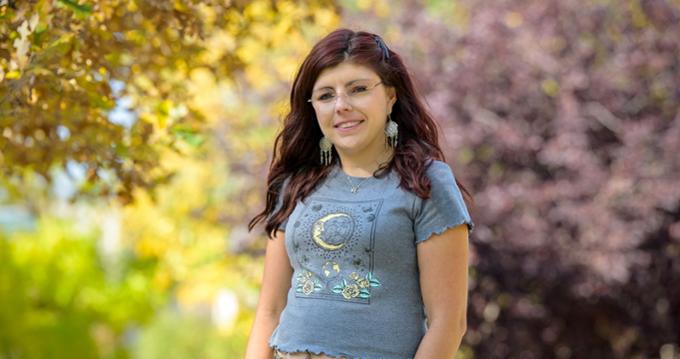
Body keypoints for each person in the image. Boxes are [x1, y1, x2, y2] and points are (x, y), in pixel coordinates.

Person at [245, 28, 475, 359]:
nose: (342, 106)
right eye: (325, 96)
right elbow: (270, 310)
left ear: (391, 96)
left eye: (358, 89)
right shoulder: (296, 183)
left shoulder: (426, 182)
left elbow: (449, 323)